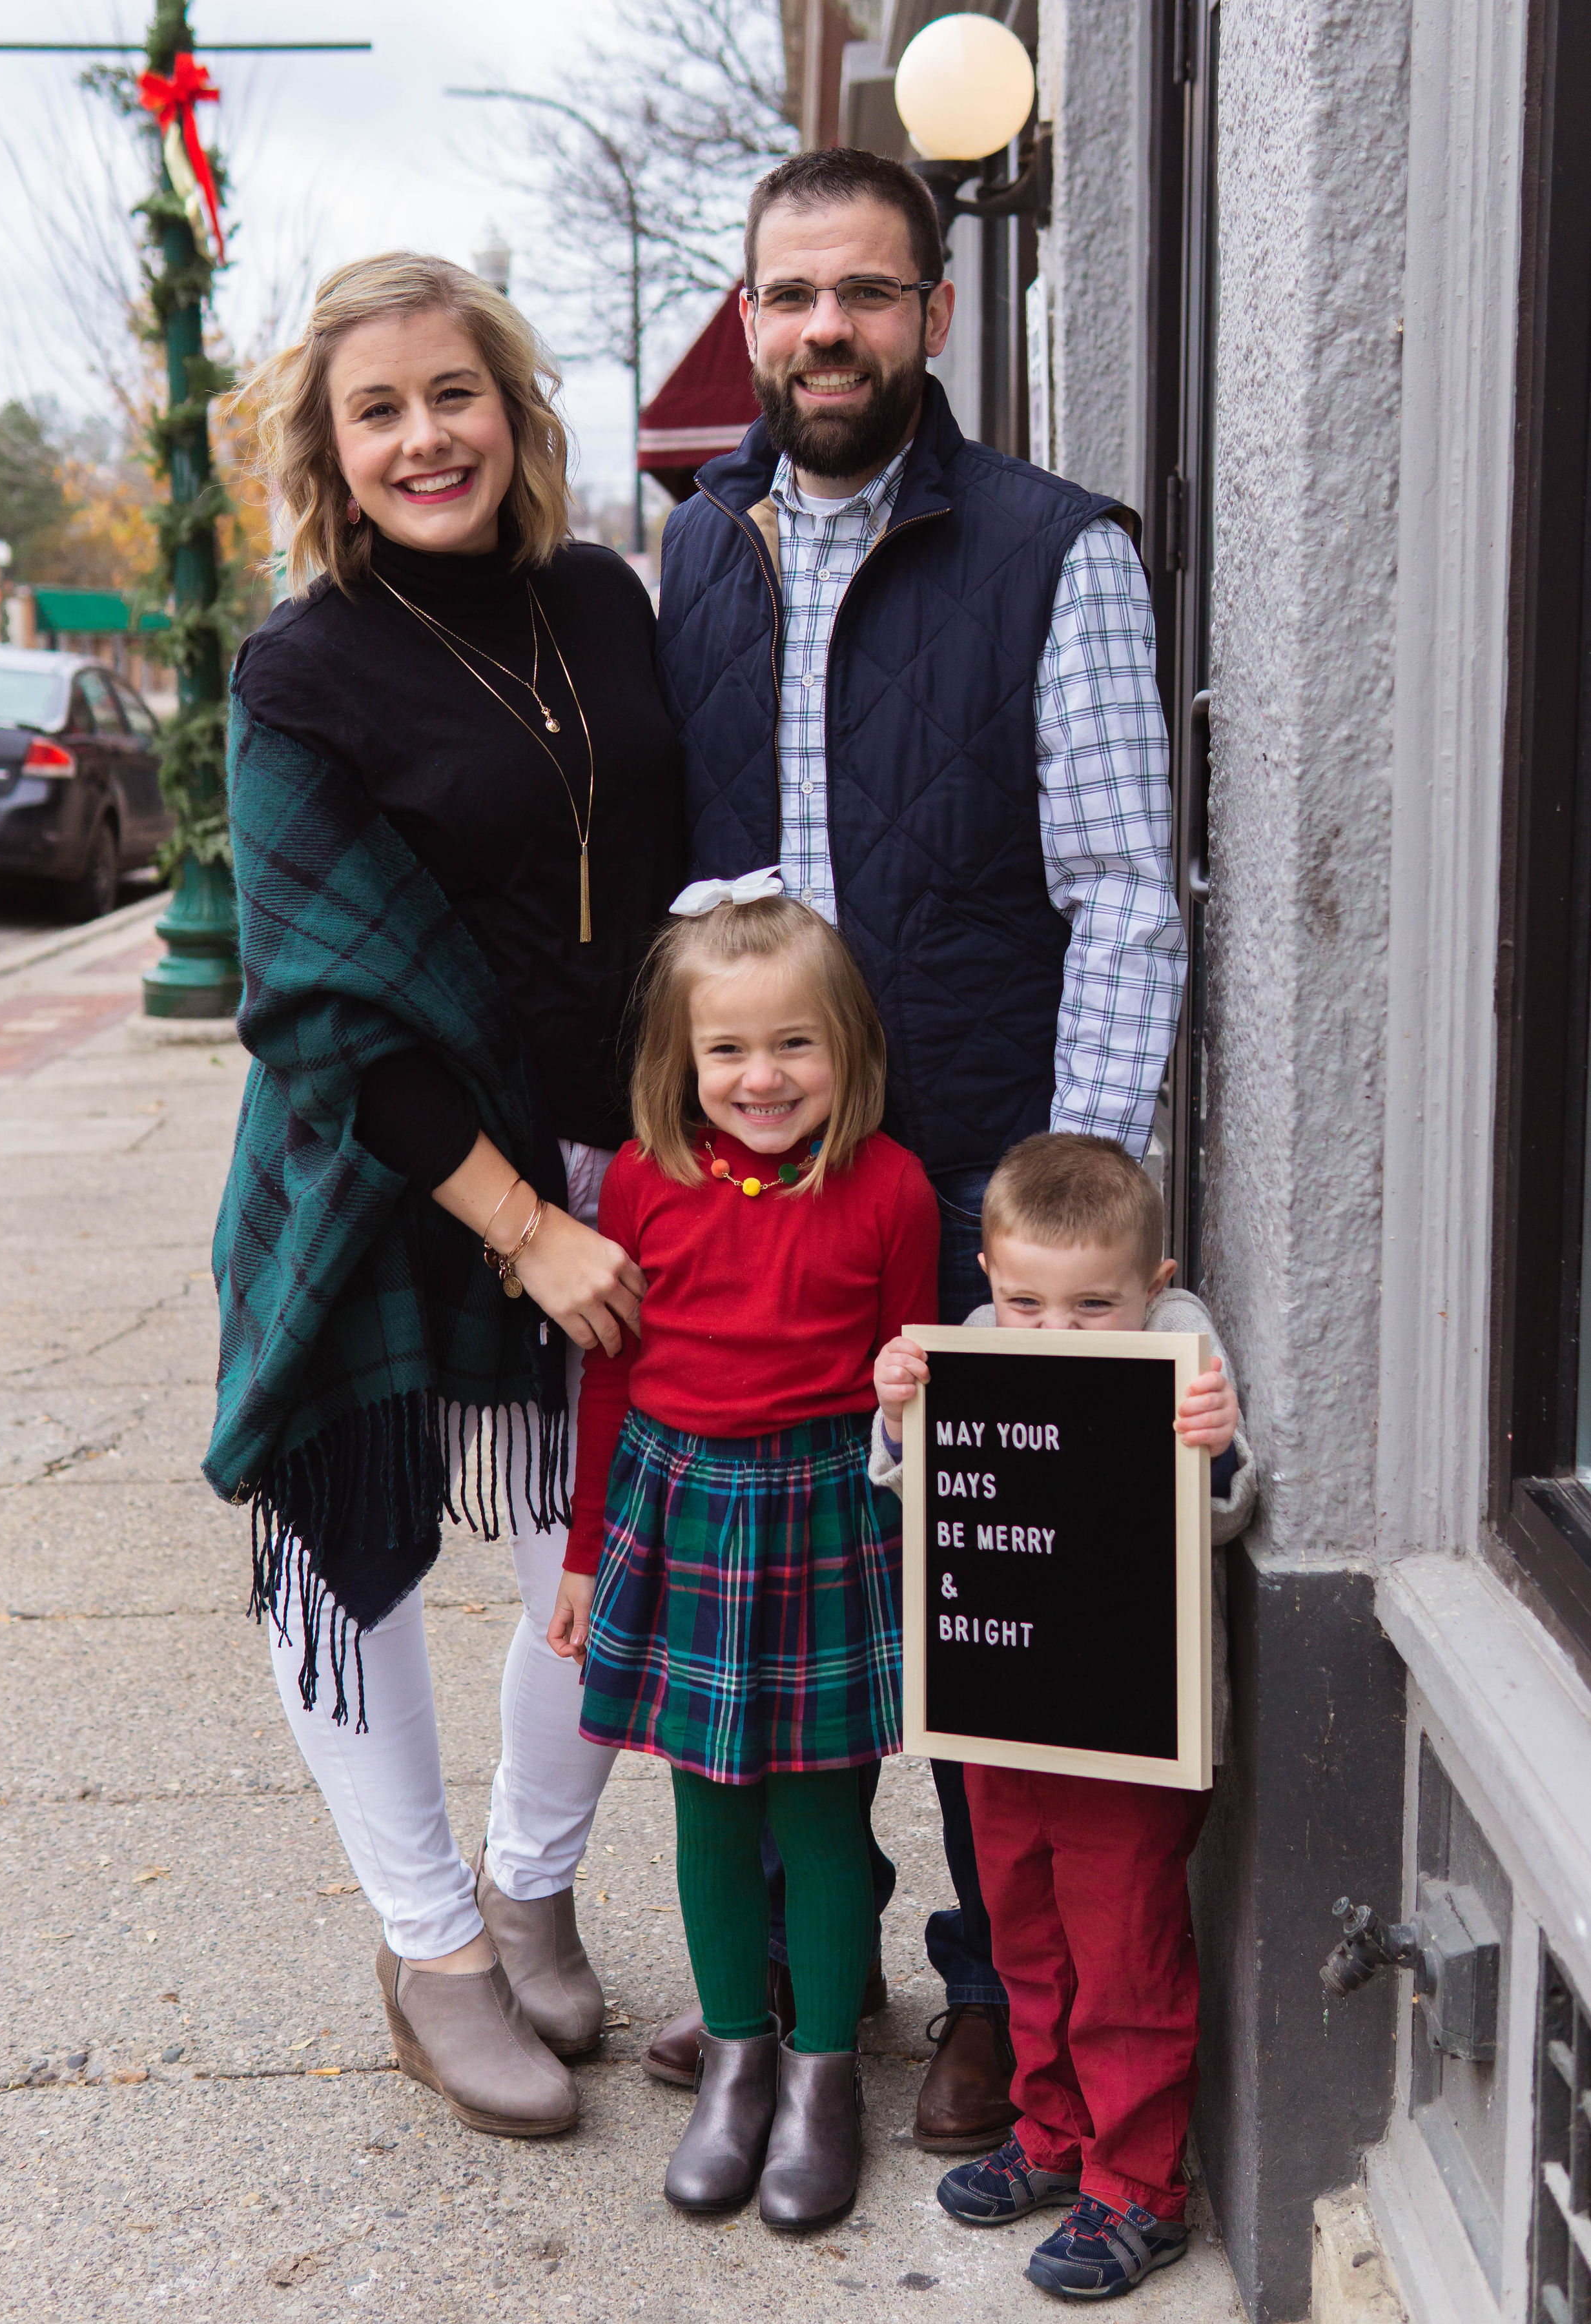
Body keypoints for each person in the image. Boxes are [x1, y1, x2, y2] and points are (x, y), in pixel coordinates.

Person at [646, 145, 1187, 2149]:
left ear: (933, 316)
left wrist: (1062, 1216)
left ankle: (991, 1982)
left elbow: (1126, 894)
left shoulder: (1060, 553)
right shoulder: (696, 546)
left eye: (865, 294)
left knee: (976, 1594)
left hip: (966, 1165)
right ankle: (802, 1963)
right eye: (789, 296)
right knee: (779, 1577)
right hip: (759, 1189)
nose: (822, 332)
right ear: (751, 310)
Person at [205, 252, 682, 2139]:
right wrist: (525, 1222)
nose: (426, 438)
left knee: (602, 1547)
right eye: (379, 410)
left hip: (603, 1146)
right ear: (330, 449)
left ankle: (531, 1884)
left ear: (514, 405)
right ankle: (433, 1952)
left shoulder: (599, 600)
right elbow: (325, 991)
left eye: (453, 395)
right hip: (383, 1176)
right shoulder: (299, 665)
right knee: (355, 1558)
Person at [545, 879, 939, 2230]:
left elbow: (915, 1390)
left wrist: (909, 1389)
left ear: (847, 1050)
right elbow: (607, 1382)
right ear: (680, 1061)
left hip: (832, 1515)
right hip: (684, 1508)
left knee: (825, 1809)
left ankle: (824, 2077)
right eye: (728, 1049)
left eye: (793, 1045)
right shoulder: (644, 1191)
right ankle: (735, 2057)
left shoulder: (889, 1191)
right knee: (708, 1808)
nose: (761, 1077)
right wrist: (588, 1556)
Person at [870, 1133, 1257, 2300]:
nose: (1056, 1331)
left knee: (1125, 1953)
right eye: (1027, 1300)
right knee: (1024, 1935)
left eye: (1093, 1305)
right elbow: (914, 1493)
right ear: (987, 1275)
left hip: (1131, 1729)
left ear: (1153, 1281)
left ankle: (1139, 2186)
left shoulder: (1178, 1349)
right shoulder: (980, 1348)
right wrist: (897, 1423)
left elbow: (1235, 1509)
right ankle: (1050, 2128)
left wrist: (1216, 1446)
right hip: (1004, 1716)